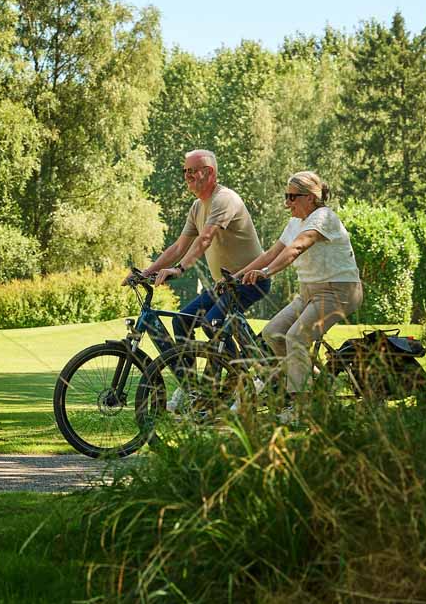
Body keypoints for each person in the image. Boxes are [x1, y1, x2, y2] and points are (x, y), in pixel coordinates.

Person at [135, 149, 270, 412]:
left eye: (192, 171)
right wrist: (146, 272)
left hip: (248, 280)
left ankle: (245, 379)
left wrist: (180, 269)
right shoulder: (197, 206)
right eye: (184, 171)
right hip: (224, 284)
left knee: (213, 323)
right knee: (182, 320)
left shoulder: (224, 199)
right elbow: (179, 246)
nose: (187, 176)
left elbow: (205, 239)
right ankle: (193, 390)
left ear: (209, 173)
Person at [238, 171, 362, 420]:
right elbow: (274, 251)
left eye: (292, 197)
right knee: (273, 332)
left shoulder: (323, 217)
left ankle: (301, 408)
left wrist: (266, 273)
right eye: (286, 196)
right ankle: (314, 384)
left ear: (311, 197)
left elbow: (297, 247)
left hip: (339, 290)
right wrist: (237, 275)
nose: (287, 203)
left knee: (295, 337)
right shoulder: (295, 221)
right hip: (309, 291)